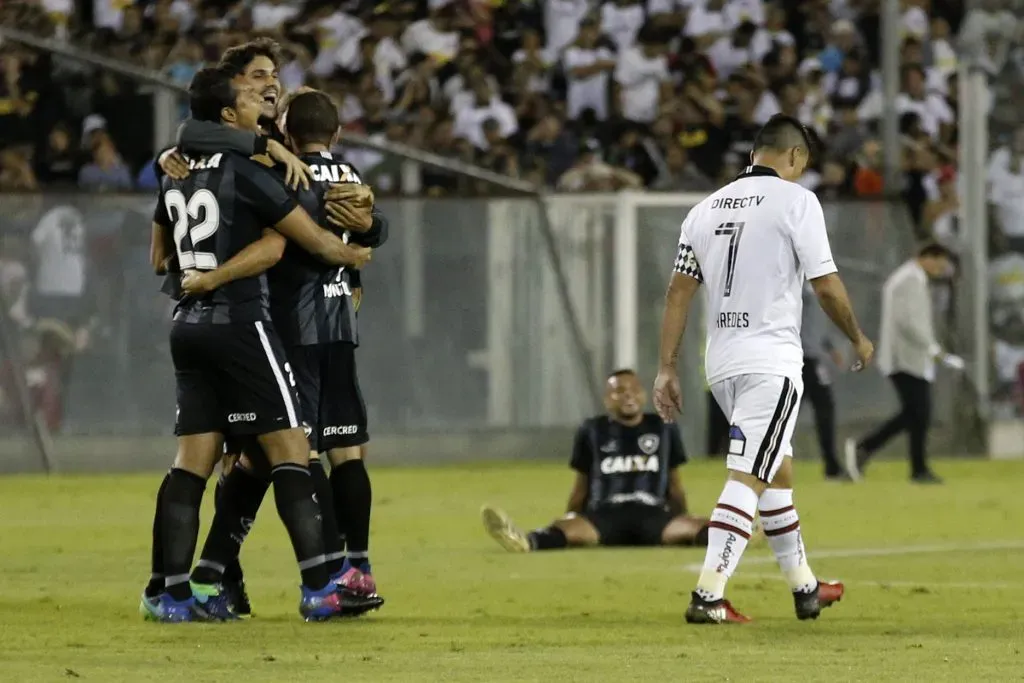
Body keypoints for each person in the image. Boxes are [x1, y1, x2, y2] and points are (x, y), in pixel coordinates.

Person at [140, 66, 370, 623]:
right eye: (249, 94)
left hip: (185, 324)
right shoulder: (248, 170)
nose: (261, 102)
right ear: (227, 114)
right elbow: (295, 242)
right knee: (290, 449)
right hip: (243, 324)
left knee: (191, 463)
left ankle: (168, 594)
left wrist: (205, 264)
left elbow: (159, 260)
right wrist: (355, 249)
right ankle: (321, 585)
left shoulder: (174, 170)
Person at [652, 114, 874, 624]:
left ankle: (805, 587)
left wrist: (666, 368)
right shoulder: (797, 201)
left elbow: (678, 294)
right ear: (794, 157)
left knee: (777, 472)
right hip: (770, 361)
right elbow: (825, 283)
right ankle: (708, 594)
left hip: (723, 364)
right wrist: (857, 337)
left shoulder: (703, 210)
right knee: (750, 475)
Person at [481, 369, 712, 552]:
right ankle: (524, 541)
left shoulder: (663, 428)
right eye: (619, 390)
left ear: (643, 394)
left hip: (652, 512)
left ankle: (739, 537)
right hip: (604, 514)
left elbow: (675, 484)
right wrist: (571, 517)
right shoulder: (592, 430)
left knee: (700, 526)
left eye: (633, 388)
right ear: (607, 400)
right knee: (561, 529)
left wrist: (683, 516)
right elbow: (581, 485)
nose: (628, 394)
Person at [844, 243, 961, 484]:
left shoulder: (908, 277)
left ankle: (911, 466)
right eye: (939, 264)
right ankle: (869, 449)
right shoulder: (910, 280)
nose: (940, 270)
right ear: (928, 257)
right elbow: (909, 322)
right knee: (918, 413)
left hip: (908, 357)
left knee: (916, 414)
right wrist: (935, 350)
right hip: (905, 358)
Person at [800, 281, 848, 480]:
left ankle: (832, 465)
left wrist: (829, 346)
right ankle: (831, 466)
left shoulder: (814, 283)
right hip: (801, 356)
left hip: (812, 356)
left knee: (822, 407)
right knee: (824, 406)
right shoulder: (796, 281)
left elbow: (817, 322)